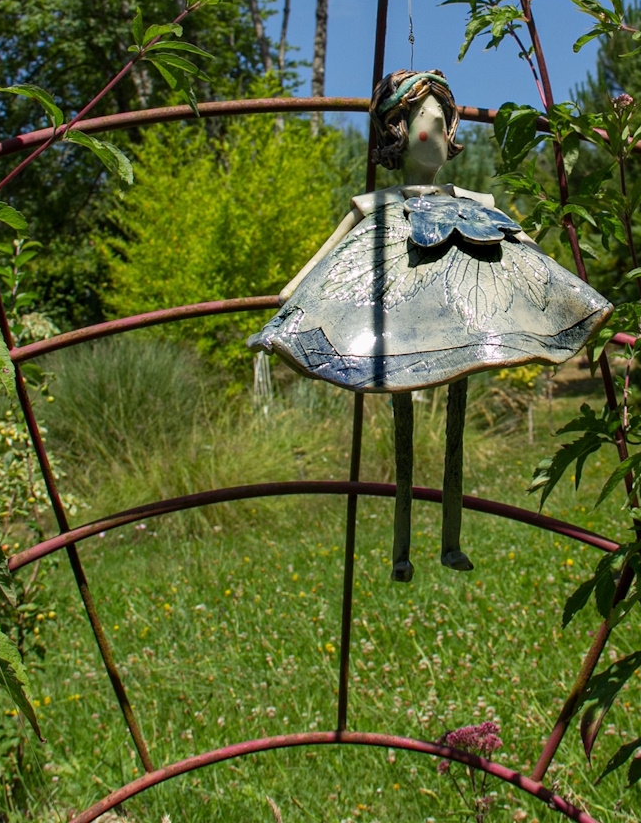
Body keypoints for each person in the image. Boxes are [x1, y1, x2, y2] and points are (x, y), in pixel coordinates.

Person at [249, 69, 613, 580]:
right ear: (396, 131)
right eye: (429, 123)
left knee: (455, 428)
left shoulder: (474, 204)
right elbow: (322, 259)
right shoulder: (377, 206)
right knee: (403, 431)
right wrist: (291, 295)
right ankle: (401, 551)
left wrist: (567, 289)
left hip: (462, 319)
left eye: (447, 124)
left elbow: (525, 245)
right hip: (397, 321)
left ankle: (450, 541)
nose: (440, 135)